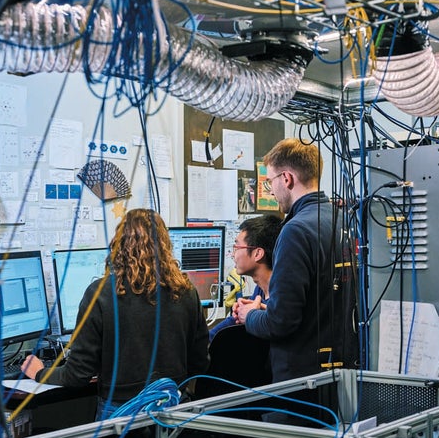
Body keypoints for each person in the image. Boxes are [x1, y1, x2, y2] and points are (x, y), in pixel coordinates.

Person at [22, 209, 209, 419]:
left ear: (118, 245)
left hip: (121, 413)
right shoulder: (186, 291)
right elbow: (199, 363)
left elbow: (76, 376)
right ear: (165, 245)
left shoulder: (100, 294)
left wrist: (39, 372)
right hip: (173, 410)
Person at [234, 138, 346, 383]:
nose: (271, 191)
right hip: (339, 369)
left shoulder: (295, 230)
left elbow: (280, 323)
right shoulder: (341, 220)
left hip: (301, 379)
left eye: (270, 181)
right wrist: (265, 307)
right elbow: (317, 300)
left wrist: (249, 315)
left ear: (286, 179)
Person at [209, 215, 281, 341]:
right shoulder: (260, 289)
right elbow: (232, 323)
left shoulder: (280, 299)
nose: (232, 254)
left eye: (237, 247)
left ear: (257, 254)